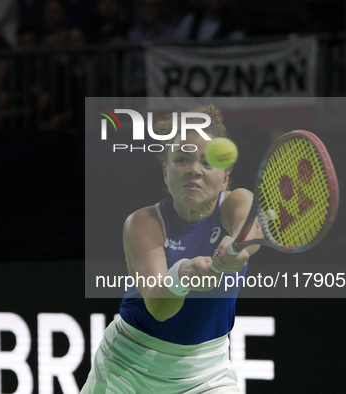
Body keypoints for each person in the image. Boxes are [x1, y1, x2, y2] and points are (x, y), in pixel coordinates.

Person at [81, 105, 263, 393]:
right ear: (166, 173)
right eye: (182, 160)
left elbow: (249, 225)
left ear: (226, 177)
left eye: (208, 162)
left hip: (207, 373)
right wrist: (182, 276)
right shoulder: (142, 223)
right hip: (128, 367)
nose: (194, 170)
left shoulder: (236, 201)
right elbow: (159, 307)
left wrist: (236, 244)